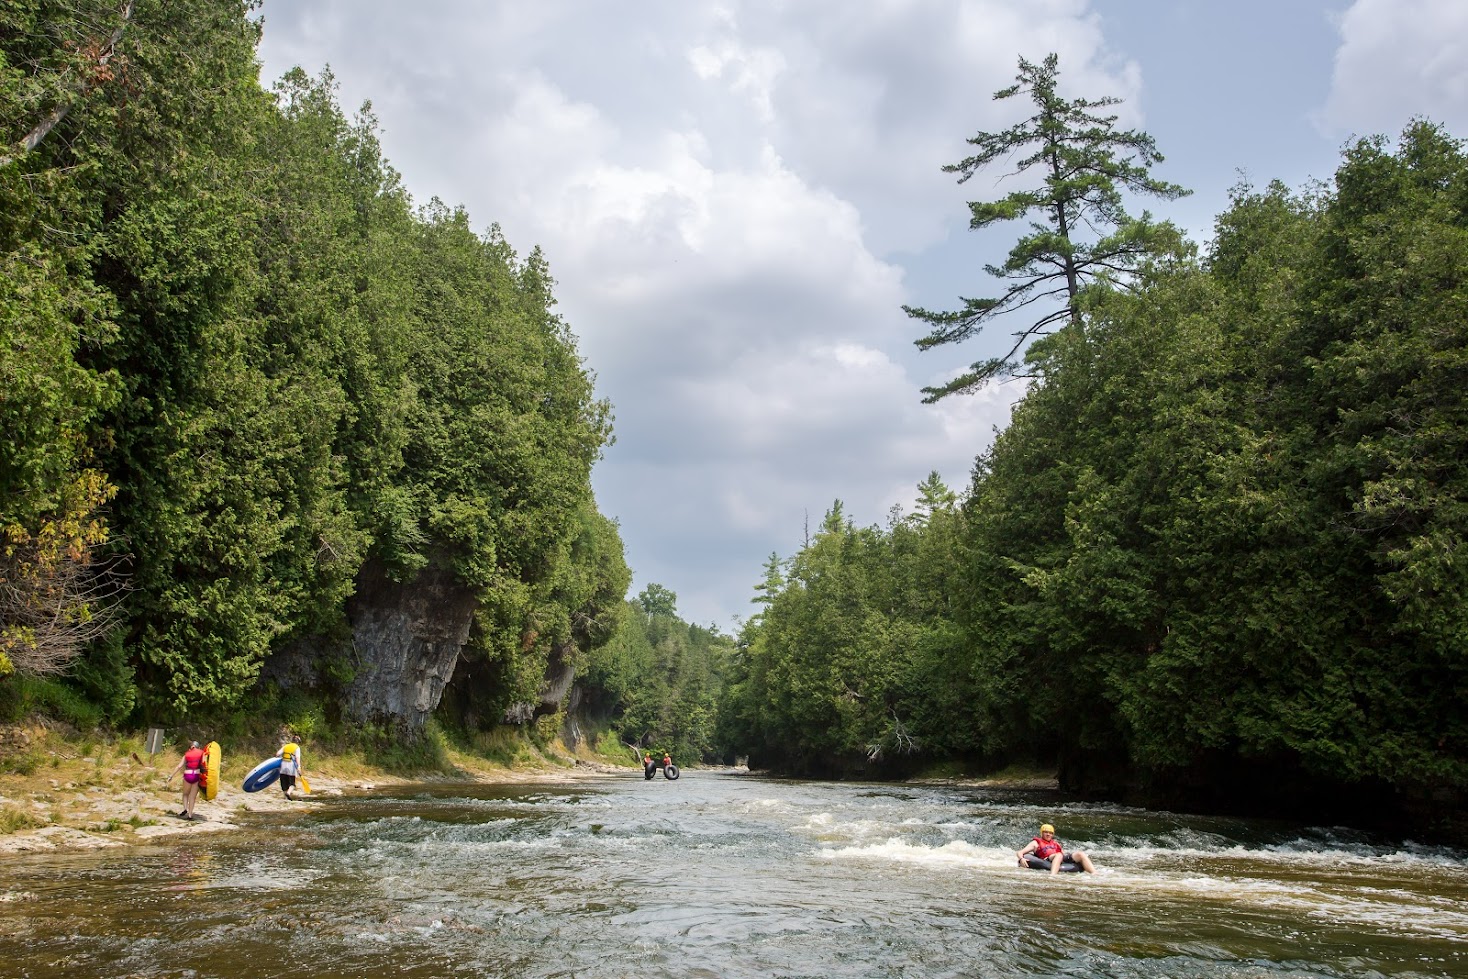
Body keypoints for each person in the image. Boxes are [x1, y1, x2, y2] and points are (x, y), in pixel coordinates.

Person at [1017, 822, 1095, 874]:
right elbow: (1020, 852)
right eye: (1046, 832)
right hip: (1048, 859)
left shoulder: (1056, 843)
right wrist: (1021, 859)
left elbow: (1063, 854)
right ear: (1042, 833)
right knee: (1058, 855)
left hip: (1060, 858)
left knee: (1080, 854)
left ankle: (1094, 873)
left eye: (1050, 833)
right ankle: (1053, 875)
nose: (1048, 834)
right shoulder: (1035, 843)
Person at [165, 741, 207, 820]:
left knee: (185, 794)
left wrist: (171, 776)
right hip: (197, 775)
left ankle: (185, 809)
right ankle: (190, 815)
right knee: (192, 797)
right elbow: (205, 764)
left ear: (191, 747)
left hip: (188, 774)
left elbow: (179, 766)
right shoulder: (202, 753)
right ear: (198, 747)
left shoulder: (186, 754)